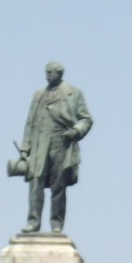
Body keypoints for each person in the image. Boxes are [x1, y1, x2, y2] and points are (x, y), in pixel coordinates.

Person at [18, 62, 93, 234]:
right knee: (35, 182)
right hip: (40, 143)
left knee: (58, 185)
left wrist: (76, 131)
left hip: (61, 143)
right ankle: (33, 222)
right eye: (46, 72)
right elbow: (30, 122)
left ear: (60, 74)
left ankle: (56, 223)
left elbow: (86, 119)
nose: (48, 76)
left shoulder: (73, 93)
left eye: (51, 73)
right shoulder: (38, 95)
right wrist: (25, 148)